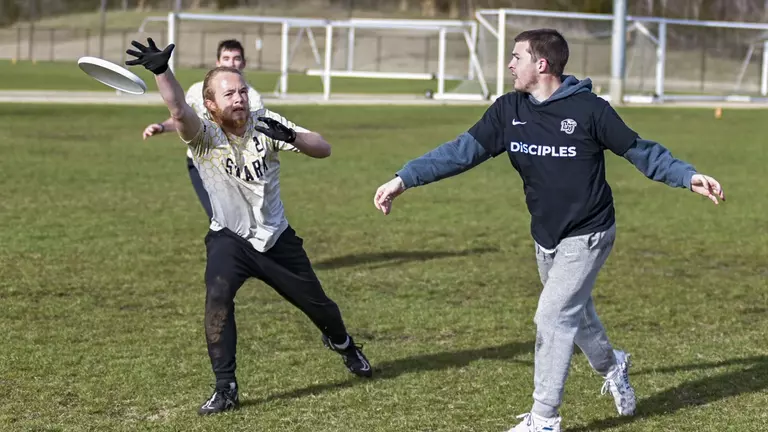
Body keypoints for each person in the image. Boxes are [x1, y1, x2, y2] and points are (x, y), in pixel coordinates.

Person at [373, 28, 725, 432]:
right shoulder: (508, 110)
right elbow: (460, 151)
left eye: (516, 57)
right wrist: (405, 178)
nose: (509, 64)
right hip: (546, 236)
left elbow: (639, 151)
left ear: (541, 64)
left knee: (552, 317)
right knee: (577, 313)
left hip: (590, 232)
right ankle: (613, 364)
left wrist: (688, 176)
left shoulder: (591, 110)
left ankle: (544, 419)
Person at [125, 38, 372, 416]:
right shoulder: (203, 135)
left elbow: (324, 148)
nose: (239, 98)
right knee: (218, 297)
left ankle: (344, 345)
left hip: (276, 238)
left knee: (321, 309)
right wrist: (161, 70)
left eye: (242, 91)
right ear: (210, 104)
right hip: (229, 238)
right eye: (229, 94)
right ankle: (225, 388)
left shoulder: (265, 123)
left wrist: (291, 137)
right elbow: (177, 109)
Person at [141, 39, 264, 220]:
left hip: (235, 167)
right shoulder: (198, 90)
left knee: (239, 221)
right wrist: (162, 127)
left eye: (236, 58)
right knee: (220, 219)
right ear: (218, 63)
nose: (231, 62)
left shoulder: (252, 98)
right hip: (201, 165)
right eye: (226, 58)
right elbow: (182, 117)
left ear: (243, 63)